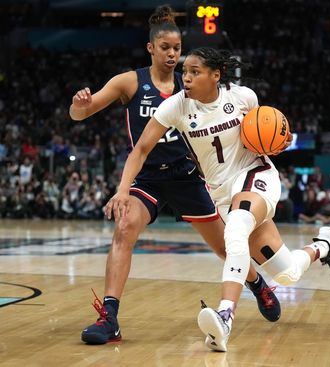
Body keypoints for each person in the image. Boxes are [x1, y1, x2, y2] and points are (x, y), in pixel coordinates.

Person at [105, 47, 330, 352]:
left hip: (256, 177)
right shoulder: (176, 107)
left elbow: (265, 132)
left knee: (234, 230)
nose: (187, 78)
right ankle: (325, 246)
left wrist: (282, 139)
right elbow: (140, 150)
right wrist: (122, 189)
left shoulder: (243, 97)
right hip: (223, 194)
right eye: (186, 72)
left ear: (216, 75)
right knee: (287, 273)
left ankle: (224, 316)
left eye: (195, 72)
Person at [69, 6, 279, 345]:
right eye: (165, 48)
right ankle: (109, 317)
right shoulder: (129, 82)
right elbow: (82, 114)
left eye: (177, 49)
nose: (173, 55)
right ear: (151, 48)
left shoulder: (193, 85)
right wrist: (80, 104)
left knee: (227, 247)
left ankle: (257, 283)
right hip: (148, 178)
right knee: (124, 228)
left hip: (188, 176)